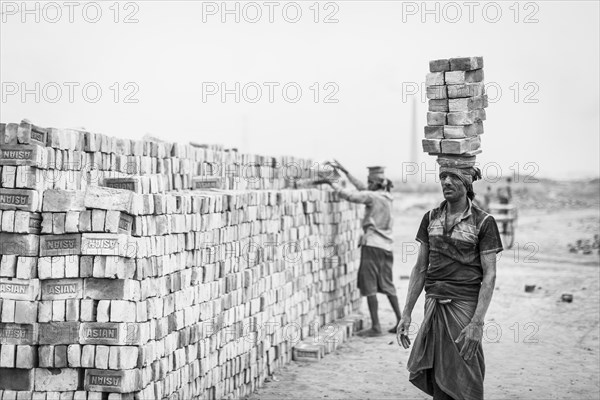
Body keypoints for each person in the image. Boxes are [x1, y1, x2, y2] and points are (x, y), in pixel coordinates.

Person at [396, 164, 503, 400]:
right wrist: (406, 313)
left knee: (466, 376)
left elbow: (490, 275)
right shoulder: (430, 218)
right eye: (442, 177)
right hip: (433, 305)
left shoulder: (483, 222)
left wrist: (477, 323)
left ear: (466, 184)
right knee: (438, 379)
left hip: (464, 309)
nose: (445, 182)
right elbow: (420, 268)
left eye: (452, 177)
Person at [324, 161, 402, 337]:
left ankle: (376, 326)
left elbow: (350, 195)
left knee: (369, 285)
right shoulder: (387, 196)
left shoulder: (372, 197)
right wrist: (346, 172)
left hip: (372, 245)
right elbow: (362, 189)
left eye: (369, 182)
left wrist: (331, 182)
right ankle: (400, 321)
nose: (366, 184)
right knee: (388, 284)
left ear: (374, 184)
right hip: (387, 248)